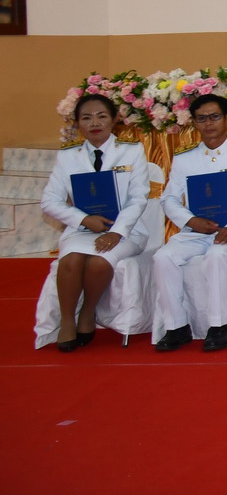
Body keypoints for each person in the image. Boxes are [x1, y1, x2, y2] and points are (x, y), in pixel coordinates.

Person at [152, 93, 227, 352]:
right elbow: (169, 199)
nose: (209, 123)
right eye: (201, 119)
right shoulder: (185, 158)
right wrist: (191, 220)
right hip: (196, 231)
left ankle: (218, 325)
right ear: (193, 122)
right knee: (164, 257)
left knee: (217, 255)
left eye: (215, 117)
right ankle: (176, 326)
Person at [40, 93, 151, 352]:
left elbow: (138, 198)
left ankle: (88, 313)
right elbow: (49, 202)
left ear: (114, 120)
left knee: (99, 262)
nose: (94, 123)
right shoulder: (68, 157)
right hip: (81, 230)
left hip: (126, 231)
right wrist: (84, 219)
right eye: (86, 118)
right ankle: (67, 321)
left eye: (101, 116)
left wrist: (117, 232)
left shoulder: (132, 151)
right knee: (71, 260)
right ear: (77, 124)